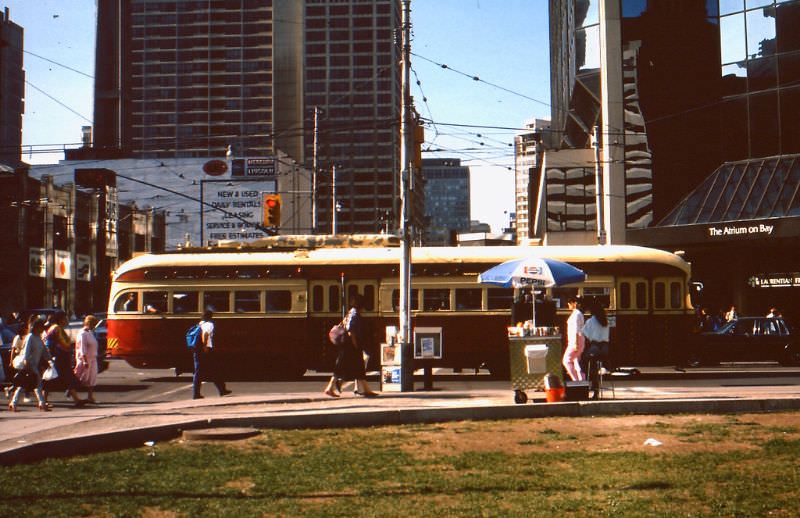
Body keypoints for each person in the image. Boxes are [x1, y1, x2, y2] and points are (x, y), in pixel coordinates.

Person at [323, 295, 378, 398]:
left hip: (348, 345)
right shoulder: (354, 313)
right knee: (341, 367)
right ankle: (329, 388)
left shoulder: (351, 312)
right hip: (349, 346)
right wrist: (355, 344)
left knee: (358, 367)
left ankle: (366, 390)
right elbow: (350, 330)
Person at [43, 311, 86, 407]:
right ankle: (43, 401)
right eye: (65, 318)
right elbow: (64, 344)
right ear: (61, 320)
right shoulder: (57, 329)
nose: (67, 320)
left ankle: (76, 399)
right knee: (52, 379)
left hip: (60, 357)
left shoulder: (55, 328)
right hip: (59, 358)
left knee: (66, 378)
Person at [8, 318, 52, 411]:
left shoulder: (38, 338)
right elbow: (26, 351)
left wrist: (50, 359)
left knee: (25, 384)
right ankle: (42, 404)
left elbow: (44, 350)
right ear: (36, 327)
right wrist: (27, 363)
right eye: (41, 327)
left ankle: (14, 403)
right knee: (37, 383)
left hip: (33, 364)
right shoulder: (30, 337)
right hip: (28, 364)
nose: (43, 329)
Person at [192, 310, 231, 399]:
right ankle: (222, 390)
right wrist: (205, 346)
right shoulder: (209, 324)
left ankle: (197, 393)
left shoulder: (200, 323)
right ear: (210, 317)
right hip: (205, 350)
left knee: (199, 372)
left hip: (196, 350)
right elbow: (205, 334)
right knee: (214, 369)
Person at [582, 302, 610, 399]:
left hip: (595, 348)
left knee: (586, 361)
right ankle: (603, 368)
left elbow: (585, 334)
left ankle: (593, 388)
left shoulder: (590, 321)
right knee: (596, 363)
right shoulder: (606, 321)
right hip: (605, 349)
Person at [74, 315, 100, 404]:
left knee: (92, 377)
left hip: (93, 358)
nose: (94, 326)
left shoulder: (90, 332)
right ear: (88, 323)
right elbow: (82, 347)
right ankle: (71, 392)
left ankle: (90, 396)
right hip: (84, 359)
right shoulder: (82, 333)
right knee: (81, 377)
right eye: (93, 324)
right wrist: (84, 360)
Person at [562, 297, 585, 381]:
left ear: (574, 303)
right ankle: (582, 381)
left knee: (566, 360)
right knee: (576, 362)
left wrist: (575, 343)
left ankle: (576, 381)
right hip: (577, 340)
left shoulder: (576, 314)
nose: (568, 305)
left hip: (575, 341)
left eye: (569, 303)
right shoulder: (577, 313)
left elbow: (576, 329)